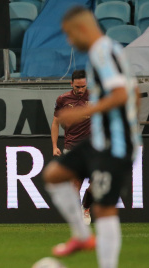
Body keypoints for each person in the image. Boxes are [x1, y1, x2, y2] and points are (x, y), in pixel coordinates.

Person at [43, 6, 141, 268]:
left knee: (104, 208)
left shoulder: (102, 52)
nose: (69, 41)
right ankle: (83, 236)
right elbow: (135, 91)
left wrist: (84, 112)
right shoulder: (110, 50)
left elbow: (121, 95)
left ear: (82, 28)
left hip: (115, 143)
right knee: (54, 175)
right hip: (101, 140)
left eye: (69, 34)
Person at [52, 69, 93, 225]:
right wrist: (54, 145)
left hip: (93, 147)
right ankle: (78, 216)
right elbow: (55, 123)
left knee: (96, 186)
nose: (80, 90)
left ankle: (86, 207)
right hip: (72, 146)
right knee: (75, 184)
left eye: (83, 86)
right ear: (71, 84)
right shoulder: (63, 99)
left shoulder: (95, 97)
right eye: (77, 87)